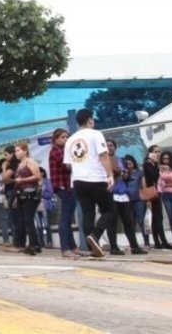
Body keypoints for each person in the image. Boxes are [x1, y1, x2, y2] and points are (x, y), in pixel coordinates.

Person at [63, 108, 114, 258]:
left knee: (87, 212)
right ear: (90, 120)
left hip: (78, 180)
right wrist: (110, 174)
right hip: (96, 178)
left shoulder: (70, 140)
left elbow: (68, 165)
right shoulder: (96, 134)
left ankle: (93, 248)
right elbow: (103, 155)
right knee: (109, 210)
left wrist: (81, 166)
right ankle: (96, 236)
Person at [49, 128, 80, 258]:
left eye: (67, 137)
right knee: (65, 218)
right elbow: (68, 165)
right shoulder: (56, 150)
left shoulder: (63, 150)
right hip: (63, 187)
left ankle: (72, 246)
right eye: (62, 137)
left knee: (68, 218)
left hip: (69, 186)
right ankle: (65, 248)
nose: (66, 139)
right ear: (56, 139)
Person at [142, 145, 172, 250]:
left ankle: (158, 242)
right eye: (155, 152)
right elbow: (154, 176)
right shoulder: (147, 164)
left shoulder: (155, 164)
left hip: (157, 192)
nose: (158, 154)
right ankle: (162, 241)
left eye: (159, 152)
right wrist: (155, 164)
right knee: (157, 218)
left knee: (157, 218)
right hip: (151, 193)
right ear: (150, 153)